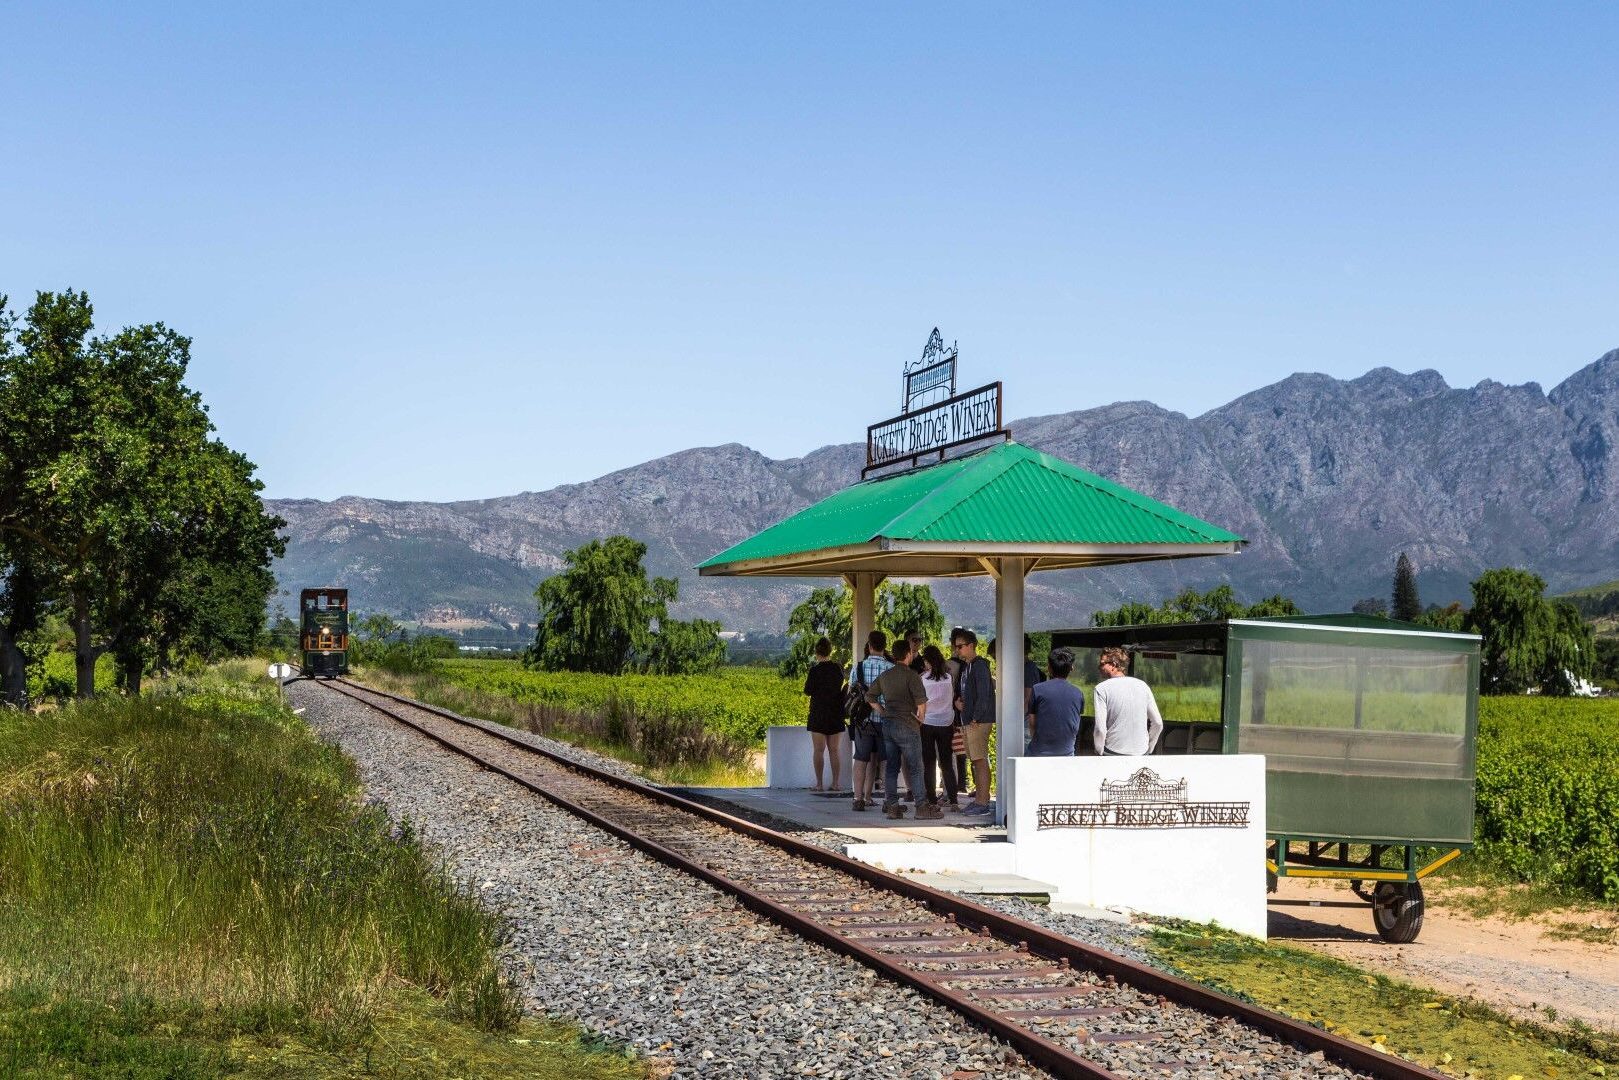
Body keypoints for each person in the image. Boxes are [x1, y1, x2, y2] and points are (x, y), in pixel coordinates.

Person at [866, 636, 938, 820]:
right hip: (907, 724)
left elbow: (870, 697)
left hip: (888, 725)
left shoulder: (885, 676)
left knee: (891, 767)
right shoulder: (912, 676)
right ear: (908, 654)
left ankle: (892, 807)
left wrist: (883, 712)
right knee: (915, 767)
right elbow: (921, 703)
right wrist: (920, 719)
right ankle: (922, 807)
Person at [953, 629, 995, 816]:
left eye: (960, 646)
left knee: (980, 760)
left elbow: (984, 693)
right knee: (975, 760)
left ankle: (983, 802)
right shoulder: (967, 666)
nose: (957, 650)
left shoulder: (979, 666)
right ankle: (979, 799)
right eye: (956, 646)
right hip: (969, 719)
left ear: (971, 645)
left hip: (977, 721)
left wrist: (976, 716)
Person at [849, 631, 893, 811]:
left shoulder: (858, 667)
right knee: (885, 760)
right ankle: (887, 799)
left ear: (869, 645)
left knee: (861, 758)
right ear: (884, 646)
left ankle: (858, 798)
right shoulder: (891, 668)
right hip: (885, 719)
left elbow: (852, 692)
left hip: (863, 721)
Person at [1093, 646, 1164, 755]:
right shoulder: (1143, 686)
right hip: (1141, 753)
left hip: (1113, 753)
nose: (1099, 667)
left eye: (1102, 663)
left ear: (1114, 665)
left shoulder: (1101, 689)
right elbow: (1158, 723)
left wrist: (1099, 752)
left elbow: (1100, 729)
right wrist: (1149, 749)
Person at [917, 644, 959, 808]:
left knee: (929, 762)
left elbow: (920, 701)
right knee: (946, 762)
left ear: (927, 661)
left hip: (927, 723)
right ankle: (954, 799)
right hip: (946, 723)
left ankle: (932, 799)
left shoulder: (923, 679)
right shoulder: (949, 678)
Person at [801, 636, 846, 791]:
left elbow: (807, 690)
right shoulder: (837, 668)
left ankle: (819, 783)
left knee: (818, 750)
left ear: (816, 652)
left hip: (818, 713)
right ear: (830, 650)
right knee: (834, 750)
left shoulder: (814, 670)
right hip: (836, 712)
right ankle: (836, 783)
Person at [1025, 647, 1084, 757]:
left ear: (1049, 667)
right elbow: (1075, 725)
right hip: (1067, 752)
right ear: (1071, 668)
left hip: (1039, 751)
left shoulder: (1037, 689)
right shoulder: (1078, 693)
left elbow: (1032, 723)